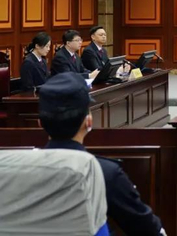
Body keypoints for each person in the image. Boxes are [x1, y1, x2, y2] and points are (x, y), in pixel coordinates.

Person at [40, 72, 166, 236]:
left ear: (40, 123)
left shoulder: (21, 171)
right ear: (89, 122)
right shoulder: (104, 173)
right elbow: (148, 229)